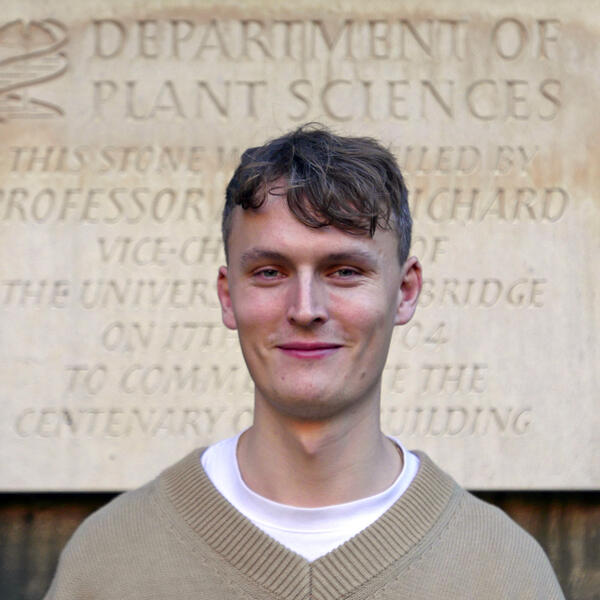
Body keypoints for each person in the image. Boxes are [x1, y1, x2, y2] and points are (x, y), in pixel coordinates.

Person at [44, 124, 565, 599]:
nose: (305, 309)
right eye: (270, 272)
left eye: (343, 271)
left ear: (404, 292)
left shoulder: (504, 572)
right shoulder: (108, 562)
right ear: (228, 297)